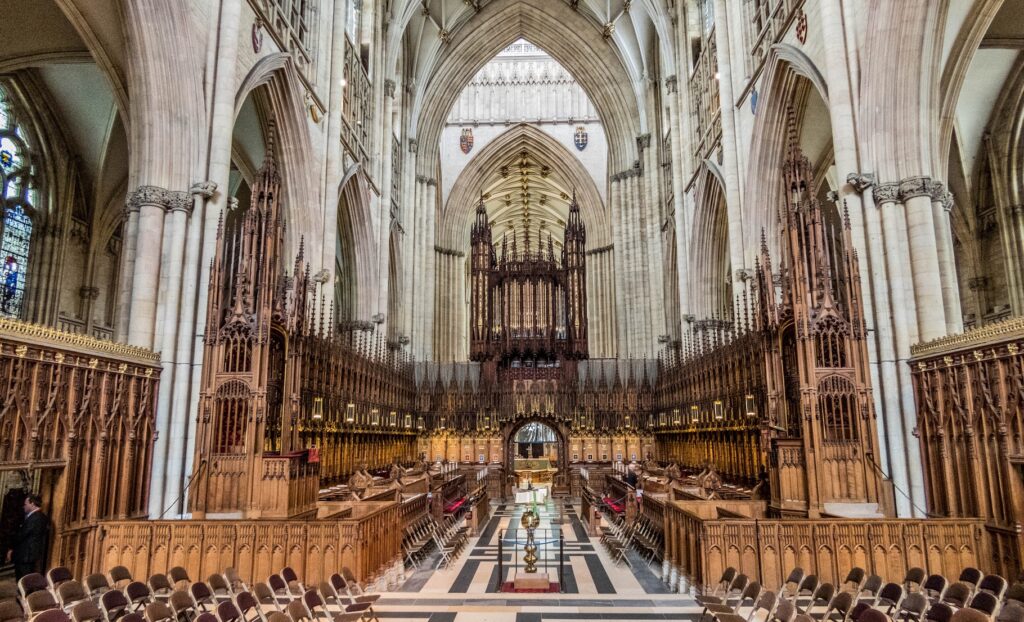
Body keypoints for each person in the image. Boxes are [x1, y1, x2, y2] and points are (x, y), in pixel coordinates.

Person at [6, 493, 48, 580]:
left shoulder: (36, 517)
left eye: (25, 504)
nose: (23, 506)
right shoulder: (41, 516)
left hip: (26, 556)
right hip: (29, 555)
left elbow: (21, 535)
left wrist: (10, 548)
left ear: (32, 504)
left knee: (23, 581)